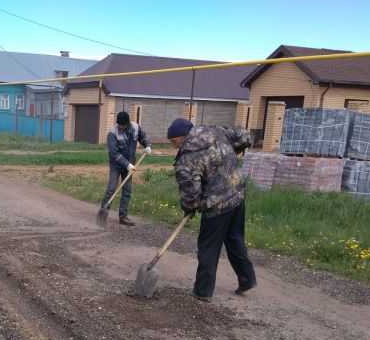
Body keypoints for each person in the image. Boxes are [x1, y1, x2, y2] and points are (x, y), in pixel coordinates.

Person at [167, 117, 257, 302]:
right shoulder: (216, 131)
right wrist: (232, 151)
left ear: (182, 137)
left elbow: (191, 193)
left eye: (174, 142)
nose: (174, 147)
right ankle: (247, 278)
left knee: (208, 247)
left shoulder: (187, 159)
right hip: (237, 194)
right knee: (234, 239)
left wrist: (189, 208)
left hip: (216, 205)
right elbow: (246, 136)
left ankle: (202, 291)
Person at [102, 111, 151, 226]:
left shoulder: (135, 127)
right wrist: (127, 164)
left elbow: (142, 137)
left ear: (127, 123)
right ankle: (103, 214)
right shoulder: (112, 133)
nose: (121, 127)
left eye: (123, 125)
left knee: (127, 191)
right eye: (119, 125)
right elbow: (114, 153)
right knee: (111, 189)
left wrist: (147, 145)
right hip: (116, 165)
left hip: (130, 165)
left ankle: (123, 217)